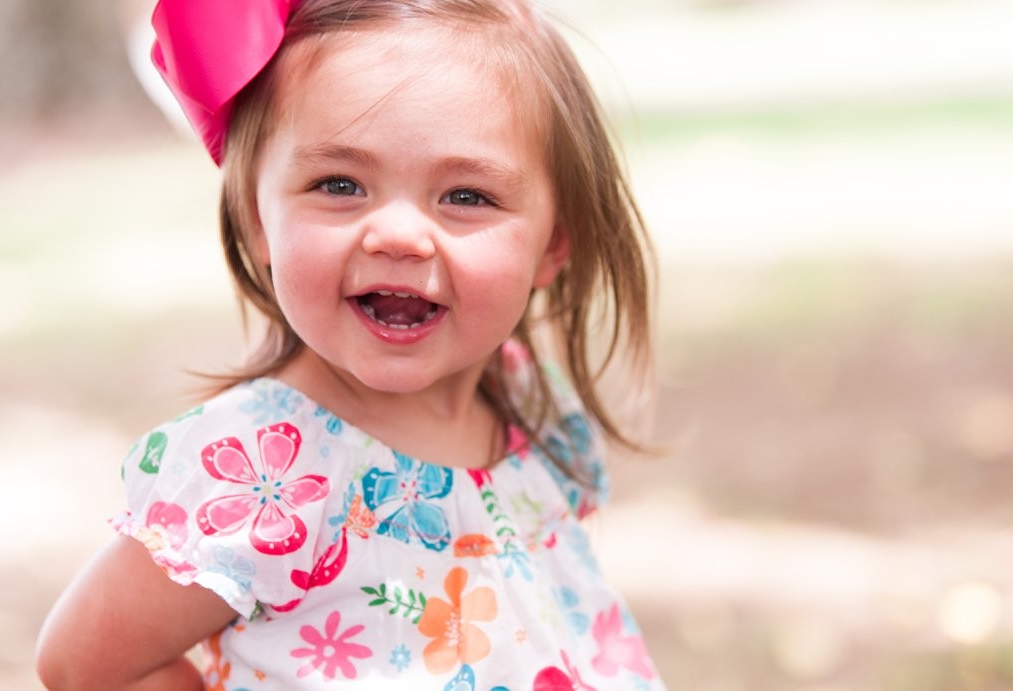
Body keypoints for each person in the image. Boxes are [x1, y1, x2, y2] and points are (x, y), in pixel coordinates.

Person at [35, 0, 664, 688]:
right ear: (256, 220)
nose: (397, 234)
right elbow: (85, 662)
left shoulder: (527, 404)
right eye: (339, 184)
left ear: (553, 243)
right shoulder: (261, 471)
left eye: (465, 195)